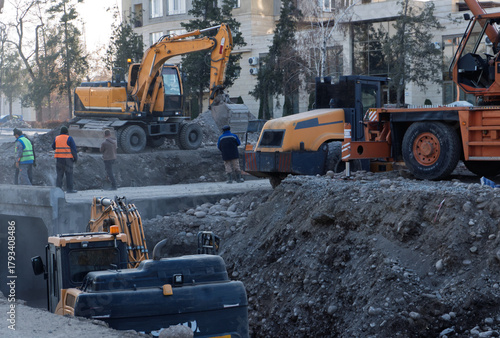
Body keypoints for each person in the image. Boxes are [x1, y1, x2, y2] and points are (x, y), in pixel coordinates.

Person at [52, 126, 78, 193]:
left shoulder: (56, 138)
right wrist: (75, 158)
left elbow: (53, 147)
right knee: (69, 175)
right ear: (67, 132)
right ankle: (70, 189)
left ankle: (58, 189)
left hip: (59, 159)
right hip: (68, 159)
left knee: (59, 175)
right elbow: (73, 149)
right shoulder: (69, 138)